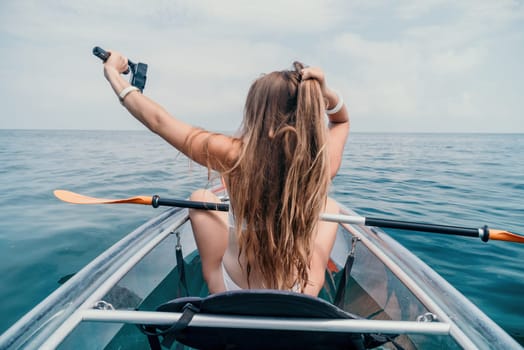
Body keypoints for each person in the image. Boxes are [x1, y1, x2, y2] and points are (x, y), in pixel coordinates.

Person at [102, 52, 350, 297]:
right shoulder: (322, 164)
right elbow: (340, 121)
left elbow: (158, 121)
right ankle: (308, 288)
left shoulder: (234, 155)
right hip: (298, 292)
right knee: (329, 205)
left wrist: (113, 73)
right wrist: (325, 92)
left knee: (201, 196)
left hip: (230, 289)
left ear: (257, 114)